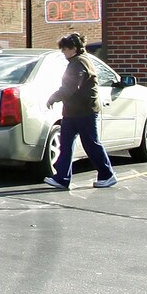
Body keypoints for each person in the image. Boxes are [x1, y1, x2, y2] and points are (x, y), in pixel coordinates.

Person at [43, 32, 116, 189]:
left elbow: (70, 86)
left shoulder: (79, 63)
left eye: (64, 49)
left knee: (91, 144)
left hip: (84, 111)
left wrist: (54, 97)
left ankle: (107, 174)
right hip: (73, 111)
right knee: (66, 144)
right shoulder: (77, 61)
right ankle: (62, 178)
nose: (63, 52)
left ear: (73, 48)